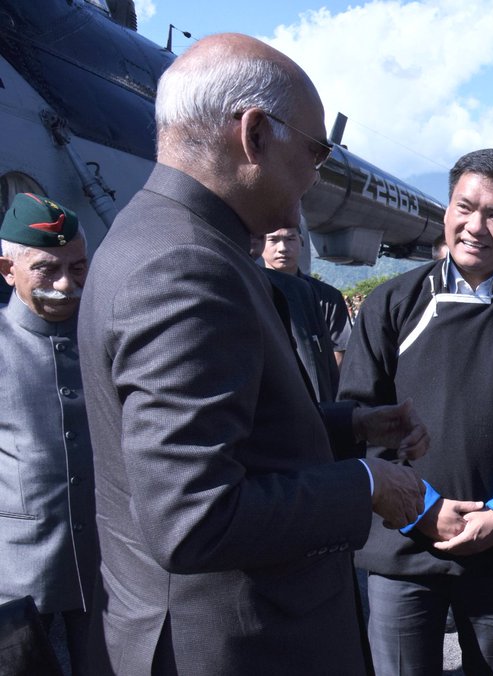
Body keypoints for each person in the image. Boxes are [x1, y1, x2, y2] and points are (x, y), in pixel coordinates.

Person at [77, 34, 429, 674]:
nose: (316, 174)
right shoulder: (186, 267)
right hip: (236, 645)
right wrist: (368, 483)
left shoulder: (158, 236)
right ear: (256, 135)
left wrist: (352, 426)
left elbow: (233, 435)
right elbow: (194, 517)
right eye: (316, 151)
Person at [338, 148, 493, 676]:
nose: (476, 227)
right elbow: (358, 417)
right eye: (465, 207)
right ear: (447, 209)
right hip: (401, 544)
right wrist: (422, 508)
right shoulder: (391, 304)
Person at [0, 194, 96, 674]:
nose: (65, 285)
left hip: (106, 574)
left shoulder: (105, 338)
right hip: (18, 581)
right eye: (46, 269)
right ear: (7, 270)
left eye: (77, 269)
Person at [260, 225, 353, 366]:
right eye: (273, 240)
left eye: (290, 239)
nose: (282, 248)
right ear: (261, 242)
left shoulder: (327, 297)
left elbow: (339, 350)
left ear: (302, 242)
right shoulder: (251, 292)